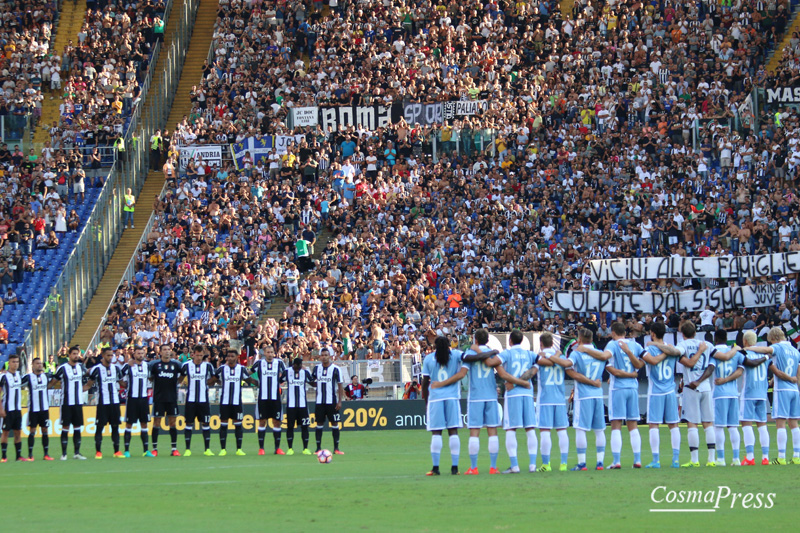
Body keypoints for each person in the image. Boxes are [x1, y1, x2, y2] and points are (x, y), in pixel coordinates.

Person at [574, 322, 644, 469]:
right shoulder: (635, 345)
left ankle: (616, 461)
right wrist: (632, 374)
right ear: (625, 332)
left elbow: (604, 356)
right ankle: (637, 460)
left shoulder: (613, 344)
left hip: (618, 388)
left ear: (613, 333)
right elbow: (639, 365)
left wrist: (585, 350)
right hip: (633, 387)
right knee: (633, 425)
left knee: (616, 424)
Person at [689, 330, 764, 466]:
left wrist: (699, 381)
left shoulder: (714, 352)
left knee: (719, 427)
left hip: (719, 395)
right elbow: (747, 366)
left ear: (715, 339)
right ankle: (735, 458)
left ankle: (721, 459)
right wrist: (766, 358)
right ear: (726, 339)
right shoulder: (735, 352)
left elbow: (710, 369)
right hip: (734, 394)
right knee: (733, 427)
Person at [733, 327, 800, 465]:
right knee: (793, 423)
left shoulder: (774, 348)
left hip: (780, 390)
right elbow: (797, 370)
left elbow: (766, 351)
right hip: (793, 390)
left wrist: (749, 348)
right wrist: (794, 380)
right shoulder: (795, 350)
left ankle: (779, 457)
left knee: (779, 423)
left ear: (774, 339)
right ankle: (796, 455)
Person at [487, 329, 542, 474]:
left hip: (512, 395)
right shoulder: (529, 354)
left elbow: (493, 363)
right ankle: (532, 465)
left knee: (511, 429)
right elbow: (539, 364)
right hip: (528, 395)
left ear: (510, 341)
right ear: (522, 341)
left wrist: (489, 353)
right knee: (530, 428)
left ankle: (515, 466)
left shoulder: (507, 353)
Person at [662, 321, 716, 467]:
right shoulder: (707, 344)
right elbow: (714, 363)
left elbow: (676, 353)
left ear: (682, 333)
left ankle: (695, 460)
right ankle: (711, 459)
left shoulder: (683, 345)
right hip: (706, 387)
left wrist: (666, 347)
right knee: (708, 423)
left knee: (692, 423)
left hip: (690, 387)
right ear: (695, 332)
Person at [451, 329, 502, 474]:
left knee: (474, 431)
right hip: (491, 395)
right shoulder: (492, 352)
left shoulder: (472, 353)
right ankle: (493, 467)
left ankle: (473, 467)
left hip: (475, 396)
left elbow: (463, 373)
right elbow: (499, 370)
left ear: (476, 340)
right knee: (493, 431)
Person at [721, 330, 770, 465]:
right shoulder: (764, 354)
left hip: (749, 393)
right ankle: (765, 457)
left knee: (746, 423)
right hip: (762, 393)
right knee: (762, 425)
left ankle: (750, 457)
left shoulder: (744, 353)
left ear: (745, 341)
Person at [640, 322, 682, 468]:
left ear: (652, 333)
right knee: (674, 425)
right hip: (670, 390)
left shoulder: (650, 348)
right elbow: (677, 354)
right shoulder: (671, 348)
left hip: (656, 391)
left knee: (653, 425)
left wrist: (654, 345)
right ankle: (675, 459)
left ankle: (656, 460)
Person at [422, 336, 466, 475]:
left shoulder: (428, 359)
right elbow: (468, 357)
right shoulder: (456, 355)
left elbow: (424, 382)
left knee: (436, 432)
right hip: (452, 397)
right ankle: (455, 468)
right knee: (453, 431)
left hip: (435, 398)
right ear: (449, 346)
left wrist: (426, 401)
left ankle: (435, 468)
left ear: (435, 346)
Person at [565, 328, 608, 471]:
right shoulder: (600, 354)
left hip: (583, 396)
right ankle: (600, 462)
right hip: (597, 394)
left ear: (580, 339)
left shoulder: (577, 353)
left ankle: (582, 463)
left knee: (580, 429)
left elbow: (569, 367)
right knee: (599, 429)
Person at [532, 333, 572, 472]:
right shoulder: (560, 357)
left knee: (545, 432)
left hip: (545, 400)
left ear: (541, 343)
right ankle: (563, 464)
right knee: (562, 431)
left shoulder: (540, 356)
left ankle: (546, 464)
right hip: (560, 399)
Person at [211, 350, 254, 456]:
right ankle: (223, 449)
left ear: (236, 357)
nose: (229, 358)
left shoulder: (241, 369)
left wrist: (259, 384)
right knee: (223, 426)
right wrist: (217, 382)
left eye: (232, 356)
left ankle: (239, 449)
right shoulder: (222, 369)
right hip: (224, 402)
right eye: (228, 356)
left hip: (237, 402)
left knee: (238, 425)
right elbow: (214, 379)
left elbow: (249, 380)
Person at [53, 346, 91, 460]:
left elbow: (90, 374)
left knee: (77, 427)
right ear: (69, 355)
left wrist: (87, 386)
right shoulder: (62, 368)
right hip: (66, 402)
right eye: (73, 353)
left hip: (78, 402)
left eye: (77, 354)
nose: (75, 356)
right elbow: (53, 381)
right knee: (65, 427)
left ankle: (77, 453)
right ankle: (64, 454)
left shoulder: (81, 367)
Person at [88, 347, 125, 459]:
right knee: (99, 427)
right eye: (108, 355)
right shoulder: (96, 369)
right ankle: (98, 452)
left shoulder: (116, 369)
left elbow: (122, 383)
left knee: (115, 427)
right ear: (103, 356)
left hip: (114, 402)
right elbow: (89, 385)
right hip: (102, 403)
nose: (110, 357)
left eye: (111, 355)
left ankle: (117, 451)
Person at [250, 345, 287, 455]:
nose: (270, 354)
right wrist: (254, 382)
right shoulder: (259, 363)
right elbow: (248, 373)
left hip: (276, 398)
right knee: (262, 421)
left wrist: (281, 381)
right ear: (264, 353)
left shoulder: (279, 363)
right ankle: (261, 448)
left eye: (272, 352)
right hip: (263, 398)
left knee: (276, 422)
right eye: (268, 352)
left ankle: (277, 448)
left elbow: (286, 374)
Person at [180, 345, 215, 456]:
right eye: (197, 355)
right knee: (188, 423)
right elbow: (180, 378)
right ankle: (187, 449)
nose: (199, 357)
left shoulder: (208, 366)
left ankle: (207, 449)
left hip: (203, 400)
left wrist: (208, 383)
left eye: (201, 355)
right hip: (190, 400)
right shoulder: (186, 365)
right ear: (193, 354)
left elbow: (213, 379)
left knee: (205, 423)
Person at [149, 344, 182, 457]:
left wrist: (177, 382)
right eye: (164, 350)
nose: (167, 352)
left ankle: (174, 449)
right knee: (156, 423)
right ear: (161, 352)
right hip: (159, 399)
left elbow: (182, 375)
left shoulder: (176, 365)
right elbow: (150, 377)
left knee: (172, 423)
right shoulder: (155, 365)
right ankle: (154, 449)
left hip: (172, 398)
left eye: (169, 349)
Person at [311, 347, 345, 455]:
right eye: (322, 355)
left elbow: (340, 386)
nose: (324, 357)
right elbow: (313, 382)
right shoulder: (316, 369)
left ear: (330, 356)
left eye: (326, 355)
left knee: (335, 423)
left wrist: (340, 401)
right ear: (320, 356)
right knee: (319, 423)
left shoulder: (336, 369)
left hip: (332, 402)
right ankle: (318, 448)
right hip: (320, 402)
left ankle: (336, 448)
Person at [120, 345, 153, 457]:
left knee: (144, 424)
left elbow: (152, 378)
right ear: (134, 354)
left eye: (142, 353)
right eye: (138, 353)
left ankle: (146, 451)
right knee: (129, 424)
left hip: (144, 399)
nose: (140, 355)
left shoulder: (147, 366)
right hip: (132, 399)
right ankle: (127, 450)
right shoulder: (128, 366)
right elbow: (118, 376)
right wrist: (124, 385)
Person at [22, 356, 54, 460]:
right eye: (37, 363)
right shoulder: (28, 377)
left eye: (40, 363)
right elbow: (17, 384)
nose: (40, 365)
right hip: (33, 409)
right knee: (32, 430)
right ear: (32, 365)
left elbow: (56, 378)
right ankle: (30, 455)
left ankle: (46, 454)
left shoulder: (46, 376)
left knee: (45, 430)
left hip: (44, 409)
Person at [285, 357, 313, 455]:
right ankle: (290, 448)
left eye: (300, 366)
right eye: (297, 366)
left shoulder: (304, 372)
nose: (298, 368)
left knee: (305, 427)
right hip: (291, 405)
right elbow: (279, 380)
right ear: (293, 365)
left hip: (303, 405)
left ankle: (305, 448)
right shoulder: (287, 371)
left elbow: (313, 383)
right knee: (290, 427)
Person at [0, 354, 24, 462]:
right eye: (13, 362)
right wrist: (1, 409)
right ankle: (4, 456)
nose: (15, 364)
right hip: (7, 409)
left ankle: (18, 456)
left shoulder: (19, 375)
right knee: (5, 432)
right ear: (9, 363)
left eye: (17, 362)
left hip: (17, 409)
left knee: (18, 432)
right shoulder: (3, 376)